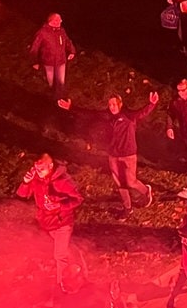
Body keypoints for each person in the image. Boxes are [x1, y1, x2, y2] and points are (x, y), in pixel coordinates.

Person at [57, 90, 159, 219]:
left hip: (128, 154)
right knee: (120, 182)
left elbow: (142, 113)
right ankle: (127, 208)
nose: (112, 107)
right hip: (113, 154)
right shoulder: (107, 115)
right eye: (110, 105)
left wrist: (152, 104)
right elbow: (90, 114)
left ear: (120, 104)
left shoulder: (129, 116)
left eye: (114, 104)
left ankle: (146, 191)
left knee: (131, 181)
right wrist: (71, 107)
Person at [16, 153, 83, 273]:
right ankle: (78, 265)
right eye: (36, 168)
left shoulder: (63, 181)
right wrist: (26, 182)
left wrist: (60, 205)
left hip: (63, 221)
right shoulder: (36, 179)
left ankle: (64, 284)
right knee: (64, 249)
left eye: (41, 169)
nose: (38, 171)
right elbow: (22, 194)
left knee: (60, 256)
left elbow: (78, 199)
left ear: (50, 166)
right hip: (47, 221)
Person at [30, 12, 77, 99]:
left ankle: (60, 100)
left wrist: (72, 51)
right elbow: (34, 47)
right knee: (51, 82)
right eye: (58, 19)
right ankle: (52, 98)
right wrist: (34, 61)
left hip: (61, 60)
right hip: (48, 62)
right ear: (52, 21)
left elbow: (67, 41)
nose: (60, 21)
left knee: (61, 82)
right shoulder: (42, 32)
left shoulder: (61, 31)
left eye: (60, 19)